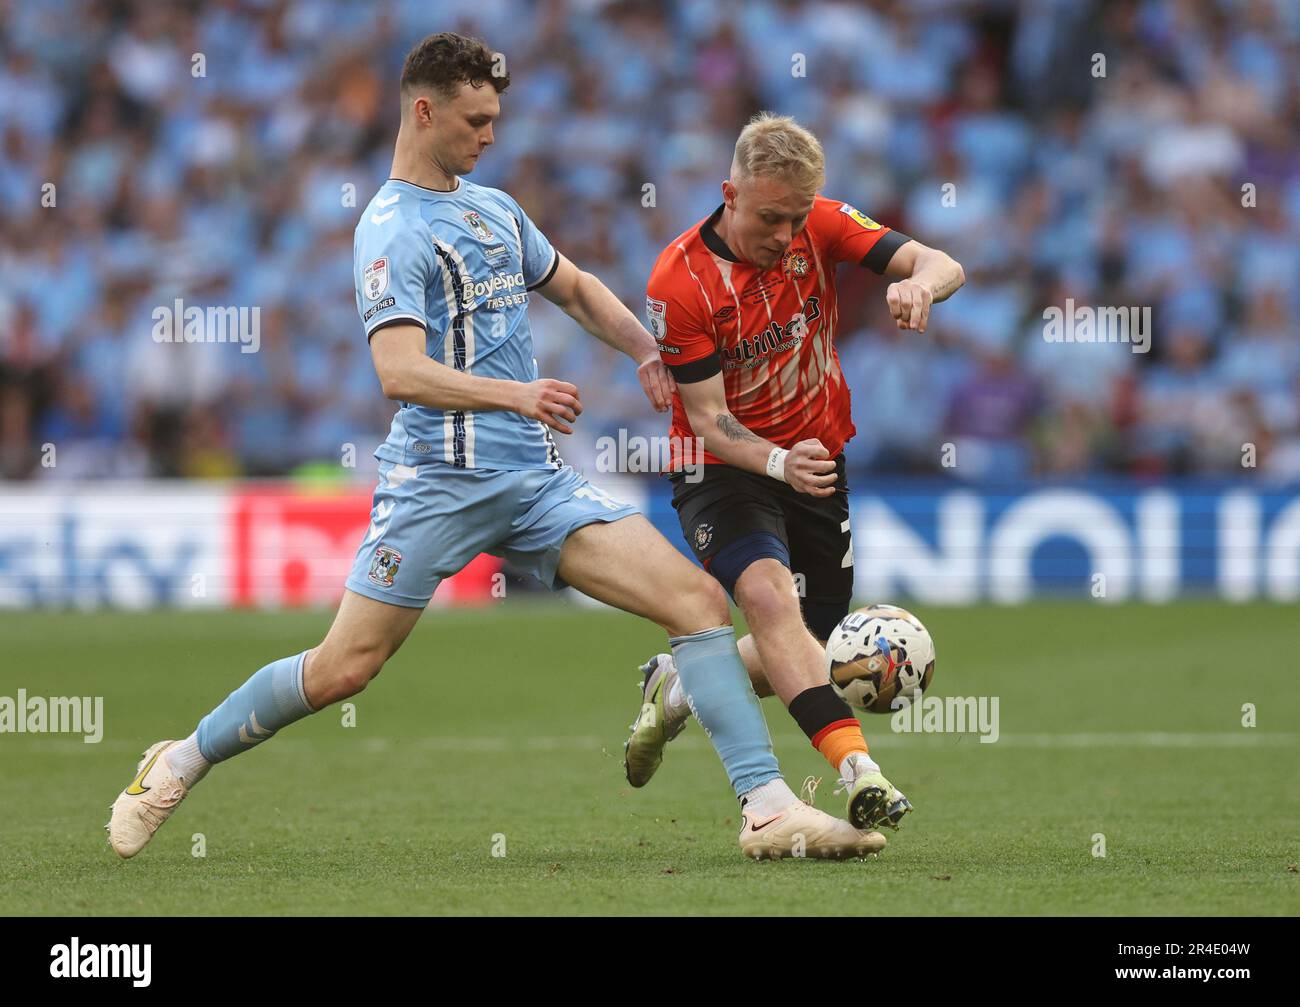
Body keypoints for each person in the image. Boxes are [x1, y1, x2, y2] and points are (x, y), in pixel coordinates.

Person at [106, 36, 885, 863]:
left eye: (495, 120)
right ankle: (179, 759)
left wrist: (643, 348)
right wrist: (518, 394)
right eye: (476, 121)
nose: (488, 136)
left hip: (535, 480)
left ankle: (766, 810)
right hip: (437, 486)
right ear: (423, 110)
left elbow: (576, 287)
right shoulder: (390, 229)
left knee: (696, 602)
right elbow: (398, 371)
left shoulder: (494, 207)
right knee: (343, 669)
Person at [624, 112, 964, 832]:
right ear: (730, 193)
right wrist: (778, 460)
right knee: (772, 602)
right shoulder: (679, 281)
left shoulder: (827, 225)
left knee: (812, 633)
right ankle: (858, 772)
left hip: (815, 458)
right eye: (771, 218)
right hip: (719, 464)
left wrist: (923, 285)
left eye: (797, 217)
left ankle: (680, 684)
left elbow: (942, 260)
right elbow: (710, 419)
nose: (785, 236)